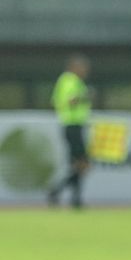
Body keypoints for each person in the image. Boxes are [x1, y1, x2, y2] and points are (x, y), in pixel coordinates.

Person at [48, 54, 92, 209]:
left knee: (78, 164)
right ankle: (57, 190)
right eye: (83, 68)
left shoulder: (68, 81)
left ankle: (75, 198)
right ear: (75, 67)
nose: (85, 71)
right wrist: (84, 96)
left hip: (73, 125)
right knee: (83, 163)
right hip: (72, 125)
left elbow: (54, 101)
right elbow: (71, 101)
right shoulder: (69, 81)